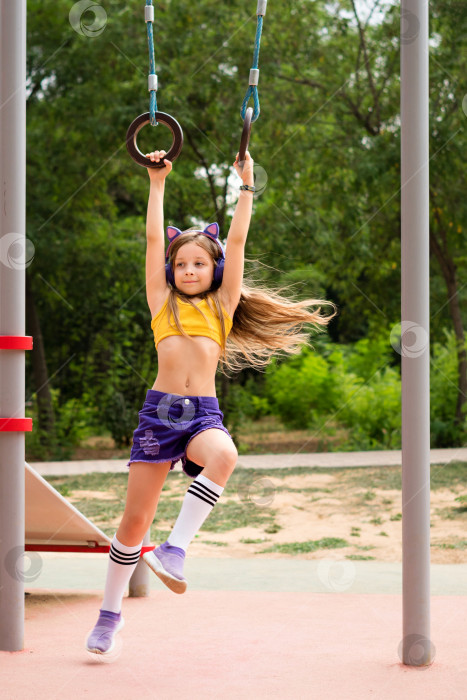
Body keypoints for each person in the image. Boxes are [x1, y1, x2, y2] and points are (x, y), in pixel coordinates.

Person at [85, 149, 336, 654]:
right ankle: (109, 615)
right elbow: (154, 239)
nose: (190, 269)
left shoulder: (224, 305)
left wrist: (246, 187)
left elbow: (238, 239)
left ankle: (176, 548)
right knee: (133, 524)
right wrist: (157, 184)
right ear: (171, 271)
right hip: (159, 414)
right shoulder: (162, 302)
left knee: (224, 454)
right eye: (182, 264)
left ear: (215, 270)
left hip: (201, 415)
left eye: (200, 263)